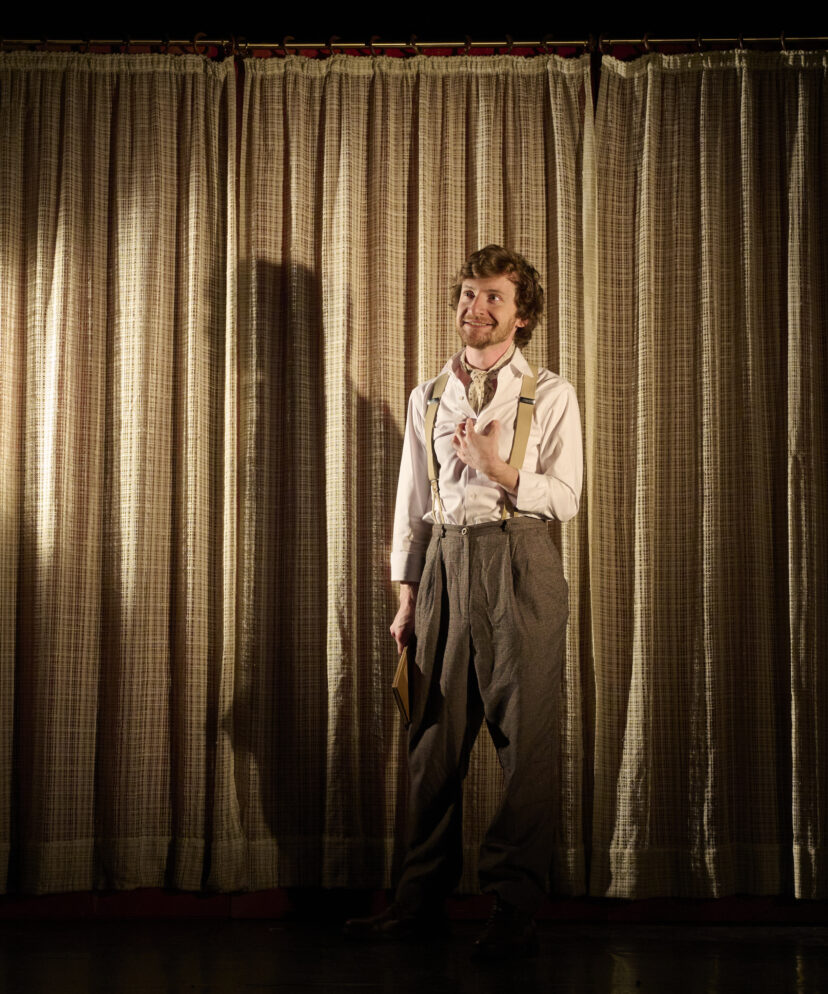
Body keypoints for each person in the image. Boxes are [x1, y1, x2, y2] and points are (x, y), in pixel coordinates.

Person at [344, 245, 582, 958]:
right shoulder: (427, 395)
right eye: (468, 295)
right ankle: (417, 902)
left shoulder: (551, 393)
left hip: (521, 562)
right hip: (446, 564)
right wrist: (407, 596)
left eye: (493, 298)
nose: (474, 308)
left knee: (525, 748)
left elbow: (566, 497)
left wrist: (497, 468)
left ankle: (513, 909)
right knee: (430, 742)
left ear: (522, 315)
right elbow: (411, 504)